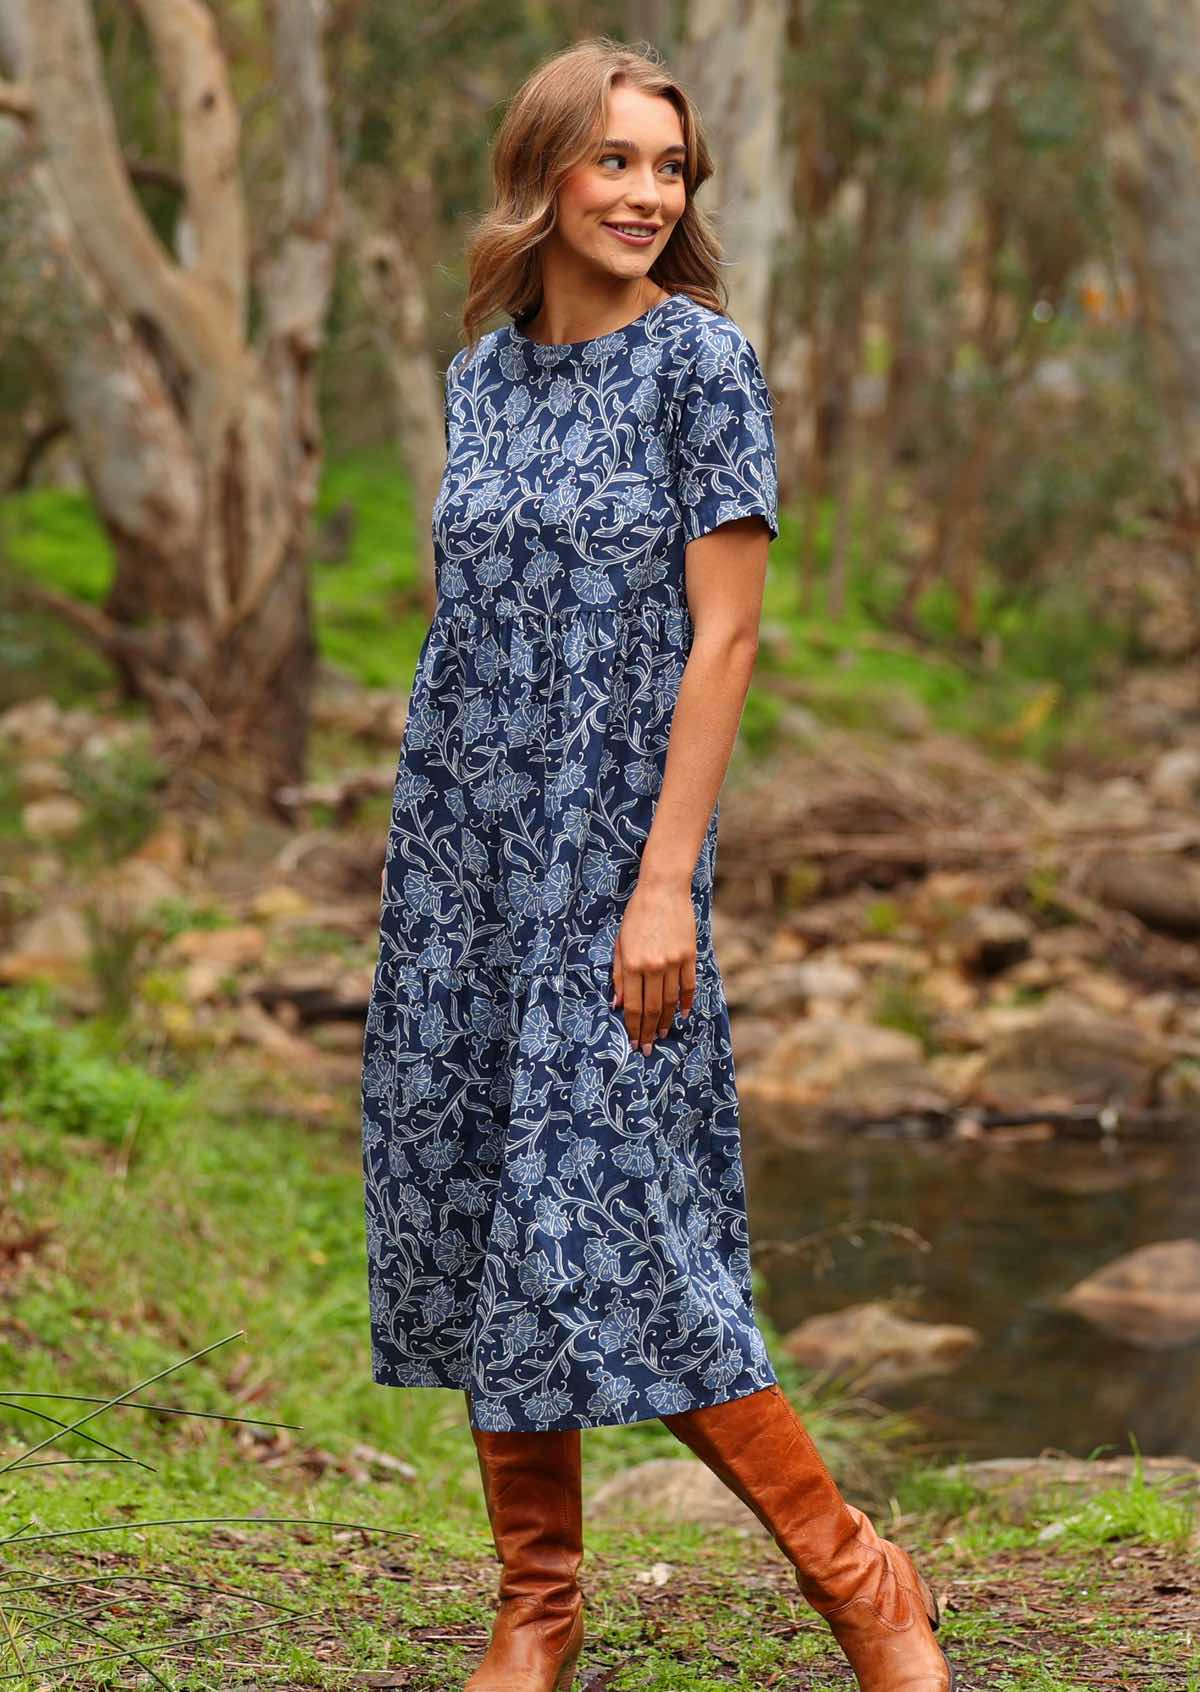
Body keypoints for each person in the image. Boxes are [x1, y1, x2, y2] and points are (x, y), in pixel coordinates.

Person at [360, 34, 957, 1692]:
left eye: (669, 167)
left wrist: (656, 881)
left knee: (628, 1227)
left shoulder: (705, 364)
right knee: (485, 1202)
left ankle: (864, 1583)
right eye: (615, 159)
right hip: (466, 860)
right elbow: (468, 628)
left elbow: (727, 641)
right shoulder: (481, 374)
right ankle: (535, 1608)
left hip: (615, 855)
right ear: (546, 168)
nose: (645, 192)